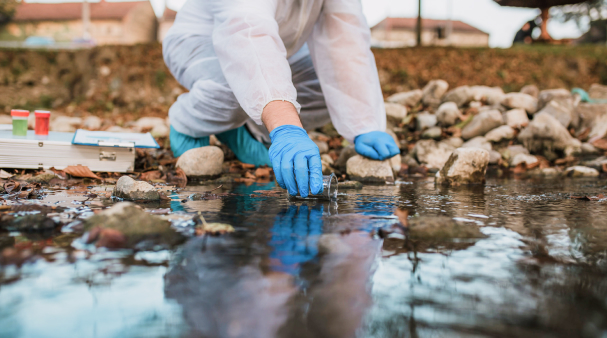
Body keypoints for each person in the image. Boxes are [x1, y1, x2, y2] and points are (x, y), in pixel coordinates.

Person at [163, 0, 400, 198]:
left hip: (280, 48)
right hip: (201, 41)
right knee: (238, 83)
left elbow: (344, 42)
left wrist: (364, 123)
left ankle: (248, 129)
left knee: (326, 84)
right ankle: (188, 124)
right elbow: (248, 35)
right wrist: (286, 127)